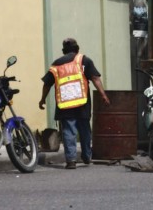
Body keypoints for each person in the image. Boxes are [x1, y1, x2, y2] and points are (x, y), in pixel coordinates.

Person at [39, 38, 111, 169]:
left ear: (63, 51)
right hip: (82, 102)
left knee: (68, 130)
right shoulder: (83, 60)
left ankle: (71, 160)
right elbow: (95, 78)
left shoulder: (56, 64)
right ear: (77, 49)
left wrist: (43, 99)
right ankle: (86, 156)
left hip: (65, 104)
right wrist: (103, 95)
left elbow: (47, 84)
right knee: (84, 130)